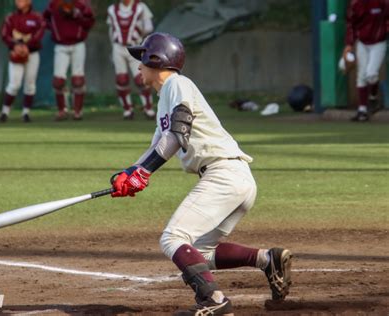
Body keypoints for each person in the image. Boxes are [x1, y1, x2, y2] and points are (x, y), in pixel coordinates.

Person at [110, 32, 293, 314]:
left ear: (156, 60)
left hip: (224, 175)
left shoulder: (177, 84)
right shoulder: (165, 98)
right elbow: (158, 145)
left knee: (173, 238)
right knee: (201, 253)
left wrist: (143, 172)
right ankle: (267, 260)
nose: (138, 67)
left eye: (142, 60)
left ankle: (213, 301)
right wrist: (129, 174)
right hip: (233, 177)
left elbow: (179, 132)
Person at [44, 0, 95, 121]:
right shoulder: (54, 4)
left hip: (77, 44)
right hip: (61, 45)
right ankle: (62, 110)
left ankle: (77, 111)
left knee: (78, 80)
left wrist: (77, 16)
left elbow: (89, 22)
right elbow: (45, 20)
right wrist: (56, 30)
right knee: (58, 81)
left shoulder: (81, 4)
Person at [107, 0, 155, 120]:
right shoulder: (112, 9)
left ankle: (148, 108)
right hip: (118, 47)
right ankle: (127, 110)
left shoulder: (140, 7)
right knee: (121, 79)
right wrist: (112, 47)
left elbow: (149, 27)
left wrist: (140, 37)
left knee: (141, 79)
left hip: (135, 46)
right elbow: (111, 30)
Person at [0, 0, 46, 123]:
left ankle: (26, 113)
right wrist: (15, 46)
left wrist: (27, 46)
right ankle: (4, 112)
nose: (18, 1)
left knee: (30, 84)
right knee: (14, 84)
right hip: (16, 53)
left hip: (32, 54)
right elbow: (4, 34)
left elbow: (39, 33)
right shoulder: (11, 17)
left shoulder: (37, 17)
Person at [344, 0, 388, 122]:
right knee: (361, 76)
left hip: (379, 42)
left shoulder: (383, 2)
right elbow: (350, 24)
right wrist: (349, 44)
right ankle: (362, 110)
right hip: (362, 43)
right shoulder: (355, 4)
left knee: (371, 73)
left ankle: (373, 97)